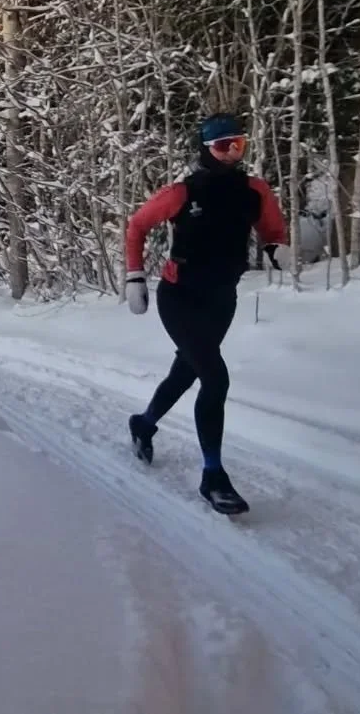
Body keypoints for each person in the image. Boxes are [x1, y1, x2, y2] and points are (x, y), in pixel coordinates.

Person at [122, 114, 287, 515]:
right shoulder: (183, 192)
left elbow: (272, 230)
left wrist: (277, 248)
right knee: (215, 376)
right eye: (222, 146)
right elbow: (137, 226)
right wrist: (135, 276)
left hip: (221, 299)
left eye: (239, 145)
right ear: (205, 149)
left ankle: (143, 424)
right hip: (179, 298)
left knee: (189, 371)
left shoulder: (255, 191)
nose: (232, 154)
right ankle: (213, 476)